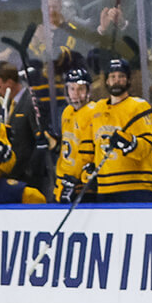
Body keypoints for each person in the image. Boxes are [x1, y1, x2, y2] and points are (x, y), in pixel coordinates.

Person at [82, 59, 152, 203]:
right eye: (113, 77)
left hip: (135, 186)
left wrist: (129, 143)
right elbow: (94, 145)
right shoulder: (97, 109)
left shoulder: (139, 107)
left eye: (121, 77)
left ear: (128, 80)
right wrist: (90, 166)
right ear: (107, 81)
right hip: (105, 187)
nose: (117, 81)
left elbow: (146, 147)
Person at [0, 63, 47, 194]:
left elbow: (39, 140)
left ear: (9, 83)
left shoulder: (30, 101)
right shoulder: (10, 103)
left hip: (29, 175)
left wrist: (31, 170)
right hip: (16, 172)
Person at [55, 68, 98, 204]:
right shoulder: (66, 112)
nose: (75, 94)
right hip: (63, 181)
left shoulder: (94, 111)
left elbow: (92, 151)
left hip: (82, 184)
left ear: (88, 90)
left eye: (81, 89)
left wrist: (81, 177)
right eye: (72, 89)